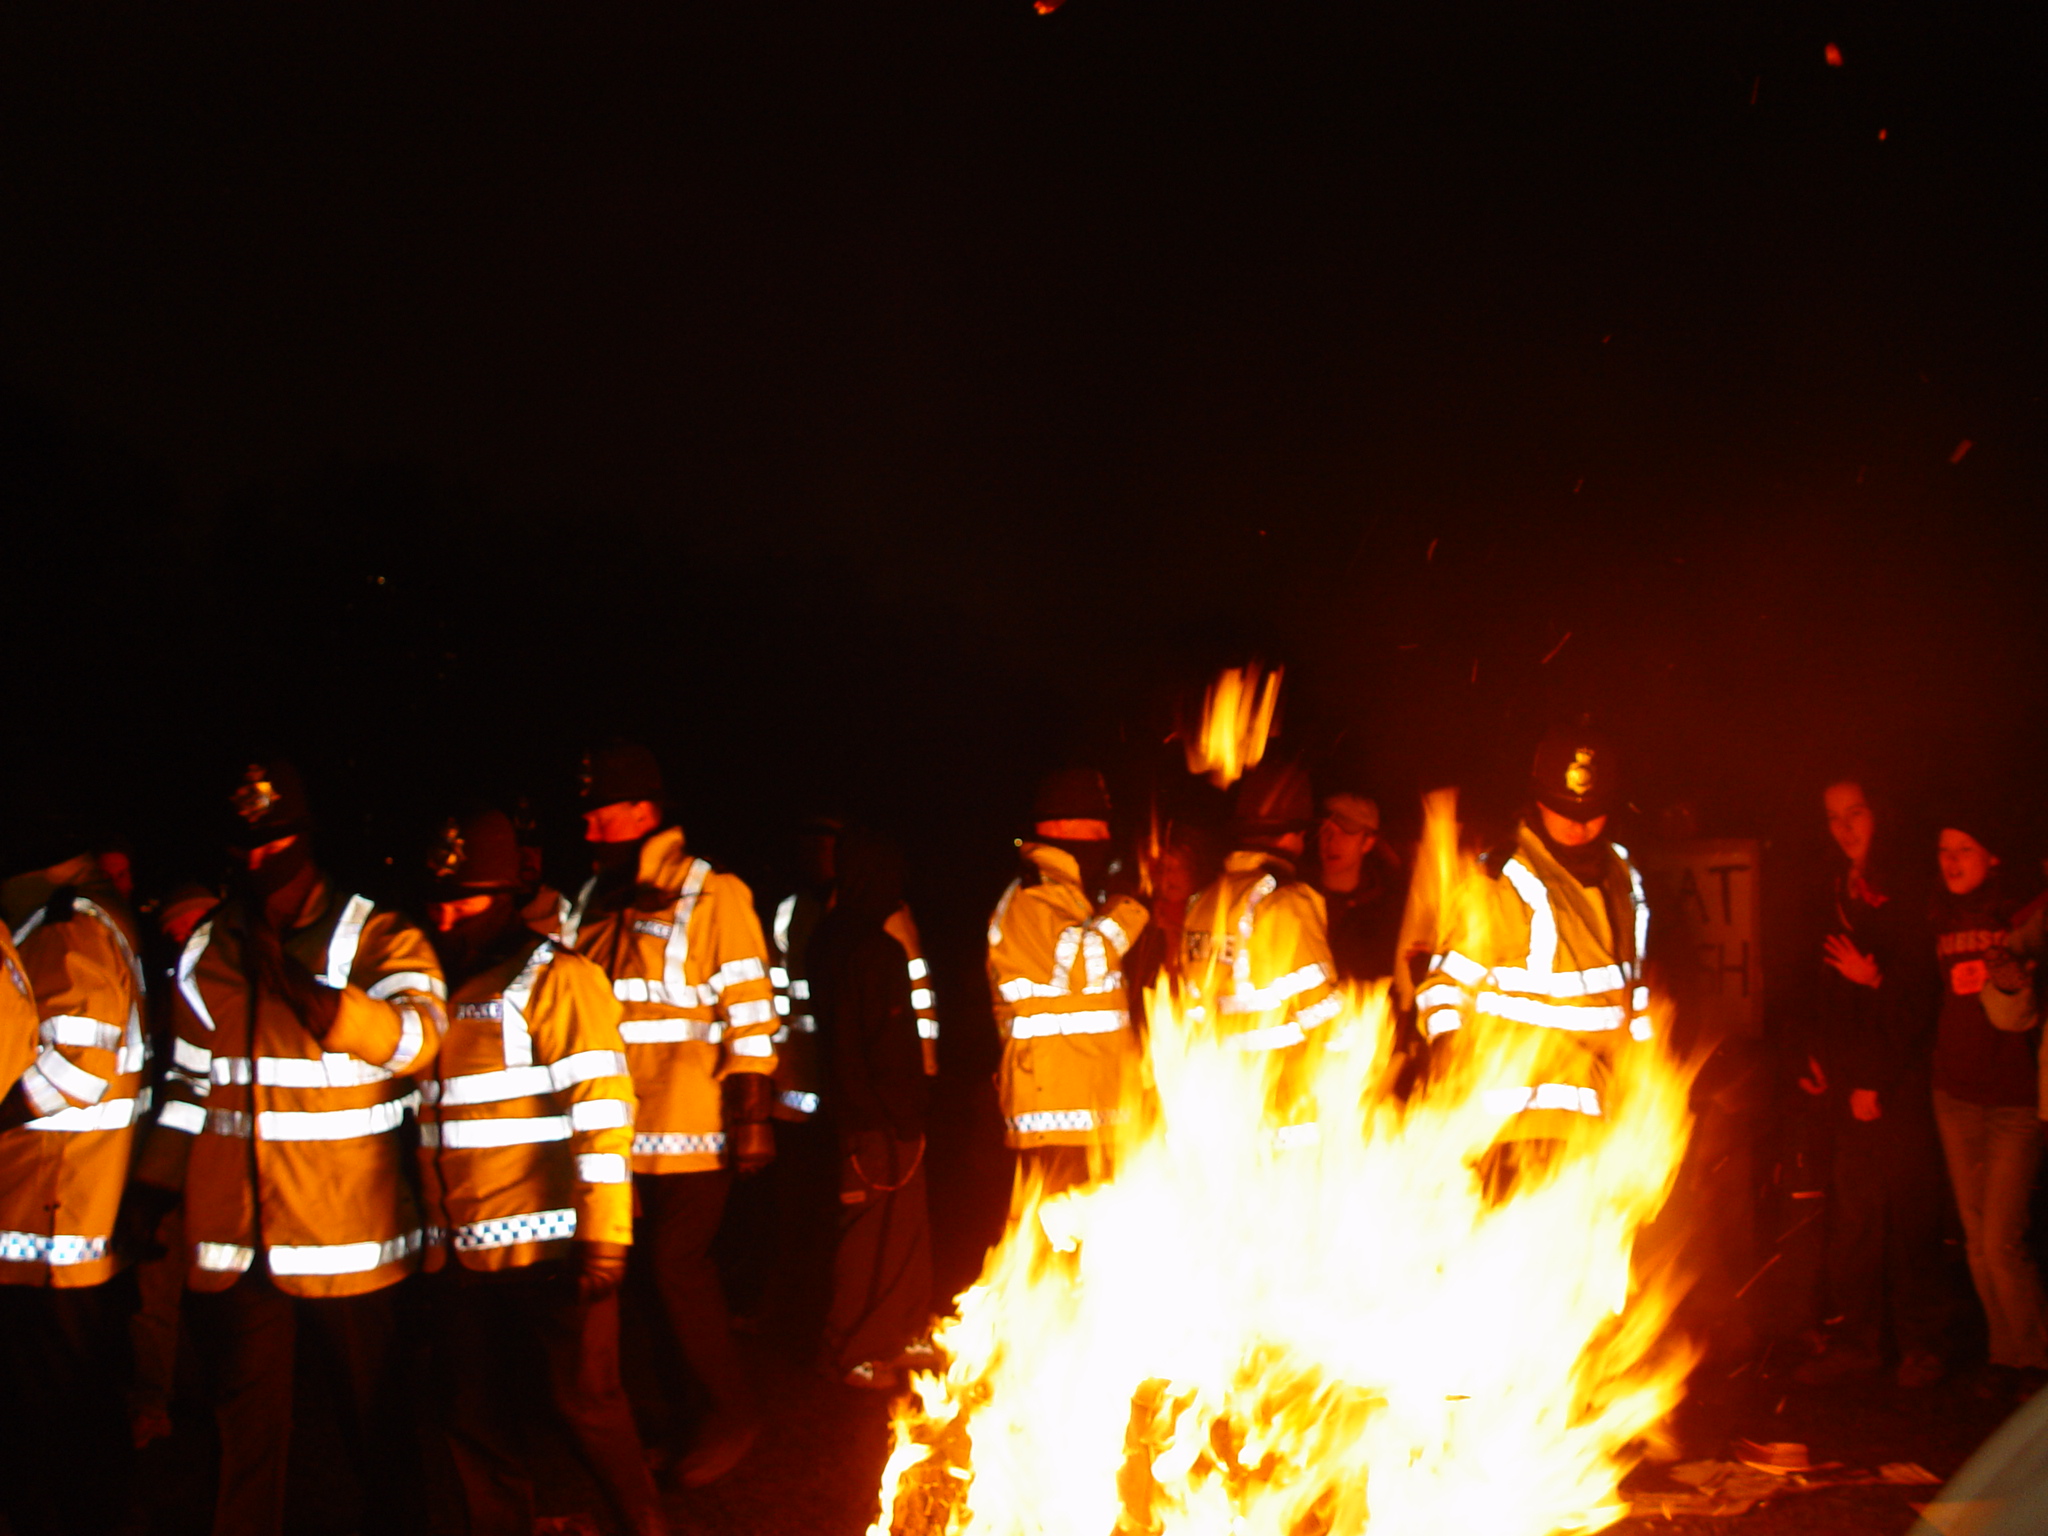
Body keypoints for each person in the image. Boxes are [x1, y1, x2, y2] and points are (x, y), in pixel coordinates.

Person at [129, 759, 447, 1536]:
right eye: (245, 851)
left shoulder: (379, 932)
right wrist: (154, 1189)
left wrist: (312, 996)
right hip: (236, 1246)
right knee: (241, 1444)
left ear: (305, 842)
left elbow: (419, 1040)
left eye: (275, 847)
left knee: (380, 1438)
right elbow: (189, 1082)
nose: (257, 865)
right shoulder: (213, 941)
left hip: (352, 1243)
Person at [417, 807, 665, 1536]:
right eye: (438, 897)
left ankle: (644, 1525)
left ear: (506, 893)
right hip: (464, 1252)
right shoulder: (431, 986)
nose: (447, 913)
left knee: (586, 1405)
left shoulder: (558, 978)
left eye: (466, 897)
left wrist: (606, 1235)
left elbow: (602, 1110)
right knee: (473, 1412)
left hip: (558, 1251)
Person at [557, 739, 777, 1486]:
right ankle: (685, 1422)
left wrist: (752, 1109)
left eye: (602, 815)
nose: (588, 830)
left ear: (646, 812)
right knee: (646, 1284)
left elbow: (750, 1004)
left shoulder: (714, 891)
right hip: (617, 1130)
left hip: (695, 1122)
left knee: (676, 1269)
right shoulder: (591, 899)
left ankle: (733, 1412)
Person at [1415, 725, 1651, 1184]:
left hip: (1599, 1124)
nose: (1579, 825)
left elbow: (1632, 994)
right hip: (1514, 1130)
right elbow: (1443, 989)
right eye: (1564, 810)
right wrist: (1448, 1053)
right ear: (1537, 800)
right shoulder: (1500, 879)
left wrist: (1644, 1080)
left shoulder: (1624, 875)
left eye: (1593, 812)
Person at [0, 819, 149, 1536]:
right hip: (57, 1222)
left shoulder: (62, 929)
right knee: (66, 1426)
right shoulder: (72, 920)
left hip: (53, 1225)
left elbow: (72, 1070)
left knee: (62, 1428)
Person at [1792, 780, 1946, 1387]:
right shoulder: (1835, 888)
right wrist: (1819, 1060)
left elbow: (1915, 998)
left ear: (1879, 813)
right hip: (1849, 1077)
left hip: (1897, 1082)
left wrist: (1875, 1080)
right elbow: (1823, 983)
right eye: (1834, 817)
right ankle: (1859, 1340)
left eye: (1855, 814)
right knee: (1855, 1216)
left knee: (1909, 1215)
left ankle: (1921, 1347)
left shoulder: (1907, 890)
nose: (1845, 828)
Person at [1925, 810, 2047, 1393]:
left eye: (1965, 849)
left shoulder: (2023, 916)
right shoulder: (1939, 914)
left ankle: (2035, 1359)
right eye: (1945, 850)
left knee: (2002, 1239)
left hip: (2012, 1101)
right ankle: (2006, 1355)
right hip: (1955, 1094)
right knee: (1976, 1239)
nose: (1952, 860)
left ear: (1993, 856)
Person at [986, 768, 1150, 1193]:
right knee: (1058, 1251)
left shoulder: (1067, 895)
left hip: (1092, 1116)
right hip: (1054, 1122)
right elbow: (1086, 964)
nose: (1105, 837)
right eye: (1098, 824)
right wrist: (1131, 906)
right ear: (1063, 828)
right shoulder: (1032, 897)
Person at [810, 828, 933, 1388]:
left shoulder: (829, 936)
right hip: (877, 1118)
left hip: (858, 1111)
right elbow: (883, 1042)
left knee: (900, 1231)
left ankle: (900, 1333)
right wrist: (898, 1112)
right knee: (872, 1237)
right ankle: (857, 1352)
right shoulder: (874, 948)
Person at [1182, 760, 1342, 1055]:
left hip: (1213, 1070)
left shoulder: (1204, 900)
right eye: (1303, 834)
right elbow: (1320, 1006)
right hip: (1277, 1078)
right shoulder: (1284, 901)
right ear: (1287, 834)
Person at [1314, 791, 1408, 985]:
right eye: (1325, 829)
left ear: (1368, 842)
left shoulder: (1388, 913)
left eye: (1346, 832)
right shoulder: (1298, 900)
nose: (1331, 841)